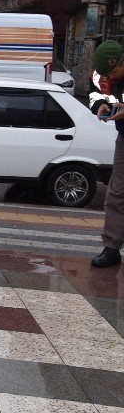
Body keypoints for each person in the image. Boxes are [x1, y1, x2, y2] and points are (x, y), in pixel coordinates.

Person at [92, 40, 124, 269]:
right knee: (116, 192)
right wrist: (100, 104)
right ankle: (111, 248)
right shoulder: (102, 75)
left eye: (113, 72)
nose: (109, 78)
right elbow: (95, 92)